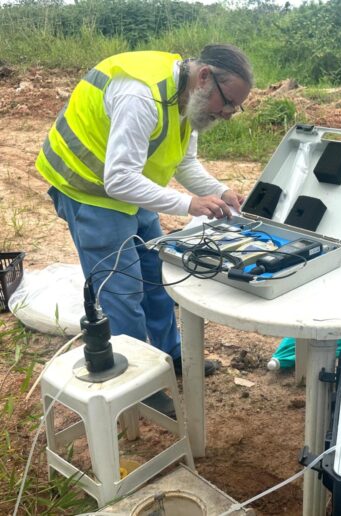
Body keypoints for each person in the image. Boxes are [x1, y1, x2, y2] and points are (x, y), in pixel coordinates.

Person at [36, 44, 252, 415]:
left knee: (156, 275)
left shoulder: (188, 97)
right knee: (123, 290)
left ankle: (170, 354)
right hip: (89, 189)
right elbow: (119, 179)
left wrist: (219, 191)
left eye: (236, 107)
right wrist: (187, 204)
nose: (229, 113)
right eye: (229, 102)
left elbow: (184, 162)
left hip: (132, 191)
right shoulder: (141, 96)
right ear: (205, 77)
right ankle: (138, 383)